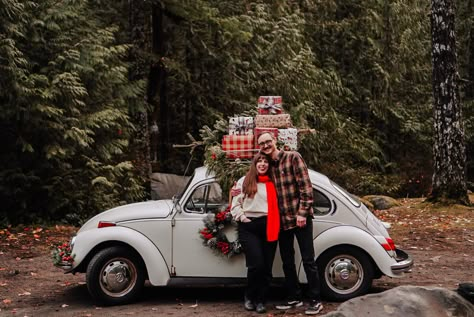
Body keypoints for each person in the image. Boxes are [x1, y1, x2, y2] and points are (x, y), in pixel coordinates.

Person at [257, 132, 323, 315]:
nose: (266, 145)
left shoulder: (293, 157)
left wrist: (302, 213)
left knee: (308, 259)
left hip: (300, 218)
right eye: (262, 143)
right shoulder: (268, 165)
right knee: (287, 261)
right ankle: (294, 296)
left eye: (268, 141)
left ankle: (315, 299)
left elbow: (306, 186)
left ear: (274, 141)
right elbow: (257, 179)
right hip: (282, 220)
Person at [230, 152, 280, 314]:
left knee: (266, 267)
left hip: (269, 225)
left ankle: (261, 301)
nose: (263, 164)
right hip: (249, 226)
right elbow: (235, 205)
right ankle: (249, 297)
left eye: (266, 161)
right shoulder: (244, 181)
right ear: (255, 164)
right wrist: (243, 218)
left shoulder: (274, 183)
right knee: (256, 264)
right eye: (260, 161)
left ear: (269, 165)